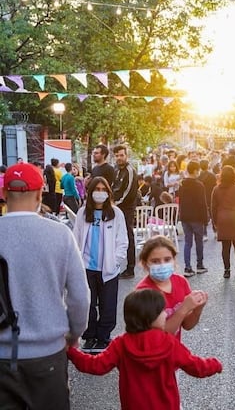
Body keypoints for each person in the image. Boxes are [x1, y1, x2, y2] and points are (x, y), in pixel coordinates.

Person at [0, 162, 90, 409]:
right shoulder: (60, 234)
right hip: (48, 354)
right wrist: (73, 334)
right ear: (41, 194)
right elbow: (80, 297)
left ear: (5, 194)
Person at [67, 288, 222, 410]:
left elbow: (96, 365)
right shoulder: (168, 342)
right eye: (162, 311)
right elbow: (195, 366)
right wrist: (215, 364)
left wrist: (71, 351)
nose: (165, 314)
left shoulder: (121, 343)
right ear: (151, 316)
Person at [73, 176, 128, 352]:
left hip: (109, 267)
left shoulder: (116, 213)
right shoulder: (83, 213)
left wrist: (116, 260)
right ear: (90, 192)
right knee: (88, 303)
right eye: (96, 189)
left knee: (108, 303)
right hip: (87, 266)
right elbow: (76, 237)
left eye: (104, 190)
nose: (100, 193)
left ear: (108, 193)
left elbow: (122, 240)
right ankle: (89, 336)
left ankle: (103, 337)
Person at [136, 236, 208, 340]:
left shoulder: (181, 282)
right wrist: (183, 309)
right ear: (145, 264)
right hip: (151, 353)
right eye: (155, 261)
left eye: (167, 259)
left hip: (173, 349)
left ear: (174, 260)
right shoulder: (143, 293)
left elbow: (187, 325)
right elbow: (160, 337)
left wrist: (197, 309)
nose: (162, 265)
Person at [211, 165, 235, 278]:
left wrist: (215, 222)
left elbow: (213, 207)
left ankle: (227, 270)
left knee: (225, 246)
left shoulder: (216, 189)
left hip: (222, 218)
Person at [112, 145, 138, 279]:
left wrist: (114, 204)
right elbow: (114, 188)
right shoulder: (116, 169)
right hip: (115, 207)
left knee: (128, 236)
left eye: (121, 155)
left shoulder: (130, 170)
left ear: (126, 156)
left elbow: (129, 192)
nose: (119, 158)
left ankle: (130, 268)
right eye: (117, 156)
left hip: (126, 209)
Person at [178, 160, 209, 277]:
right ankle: (199, 265)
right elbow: (202, 203)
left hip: (185, 216)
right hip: (197, 217)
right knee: (199, 242)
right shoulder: (199, 185)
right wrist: (205, 219)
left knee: (187, 242)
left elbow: (180, 201)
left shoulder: (182, 184)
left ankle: (187, 267)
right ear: (196, 171)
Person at [198, 158, 217, 240]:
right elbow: (215, 186)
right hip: (211, 196)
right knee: (213, 214)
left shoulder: (198, 176)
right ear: (208, 165)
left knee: (203, 215)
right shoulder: (212, 175)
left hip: (202, 197)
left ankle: (204, 234)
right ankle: (215, 231)